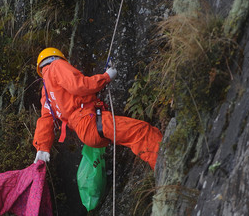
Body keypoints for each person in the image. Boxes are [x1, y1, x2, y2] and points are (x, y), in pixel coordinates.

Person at [33, 48, 163, 169]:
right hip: (90, 121)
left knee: (132, 136)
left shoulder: (46, 91)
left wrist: (42, 147)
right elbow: (79, 86)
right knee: (141, 132)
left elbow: (46, 119)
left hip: (87, 132)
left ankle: (164, 167)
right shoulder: (56, 66)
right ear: (57, 58)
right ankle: (168, 164)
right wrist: (106, 77)